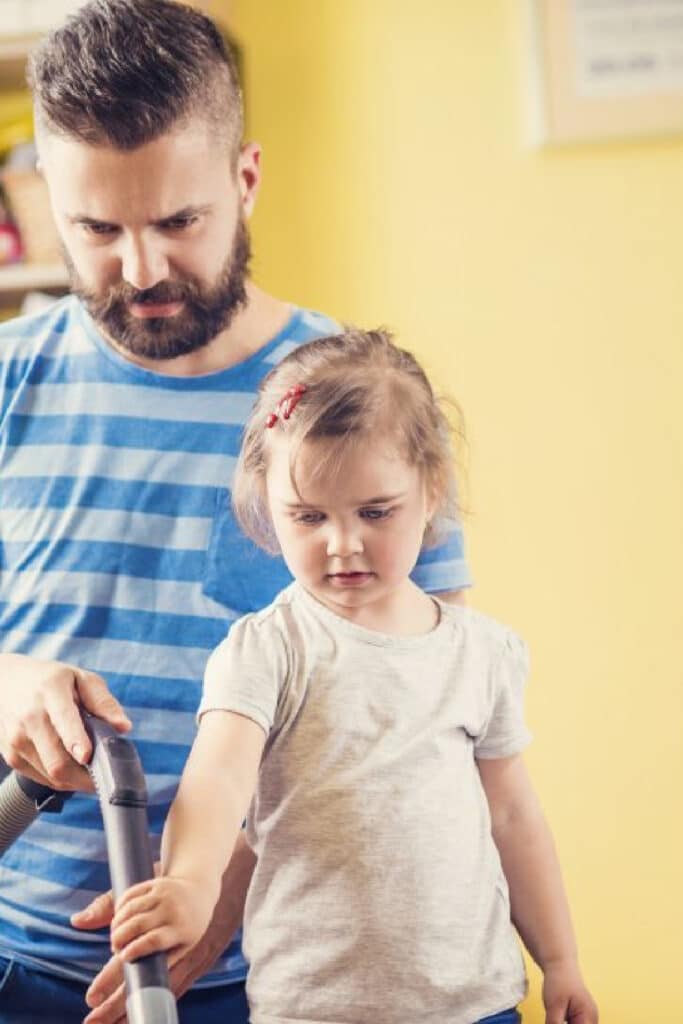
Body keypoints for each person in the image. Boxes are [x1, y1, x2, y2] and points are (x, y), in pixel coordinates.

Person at [0, 2, 471, 1022]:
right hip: (17, 965)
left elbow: (424, 709)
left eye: (178, 221)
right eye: (97, 228)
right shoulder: (8, 383)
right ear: (49, 196)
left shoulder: (359, 405)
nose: (140, 270)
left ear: (244, 180)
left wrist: (224, 886)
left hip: (281, 978)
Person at [109, 329, 599, 1024]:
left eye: (375, 512)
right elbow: (217, 780)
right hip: (311, 1006)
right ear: (267, 509)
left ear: (431, 492)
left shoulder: (481, 653)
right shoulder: (267, 649)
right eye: (307, 518)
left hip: (476, 1003)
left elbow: (512, 815)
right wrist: (190, 881)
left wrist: (560, 962)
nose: (342, 544)